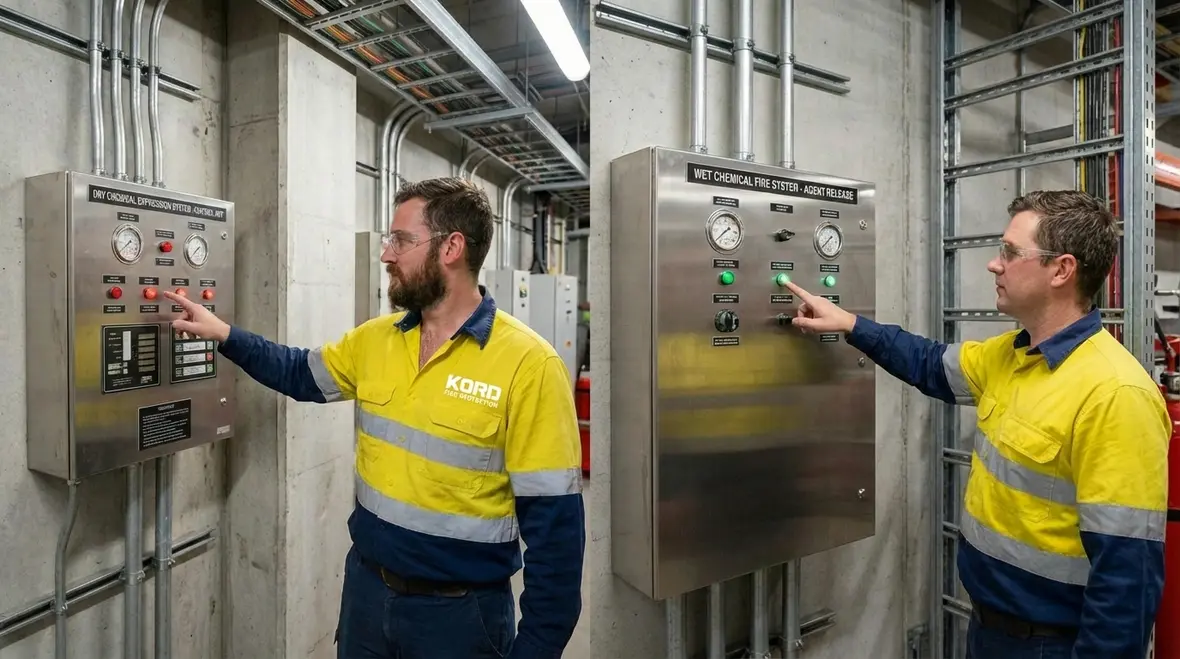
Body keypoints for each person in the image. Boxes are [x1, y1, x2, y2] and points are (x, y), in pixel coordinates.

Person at [164, 177, 585, 659]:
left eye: (401, 241)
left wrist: (536, 649)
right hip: (367, 594)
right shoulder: (377, 339)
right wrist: (225, 335)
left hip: (460, 617)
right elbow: (300, 373)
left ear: (452, 247)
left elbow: (557, 534)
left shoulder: (530, 365)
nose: (386, 254)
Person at [783, 190, 1168, 659]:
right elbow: (927, 363)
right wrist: (851, 325)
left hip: (1053, 645)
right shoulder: (1011, 356)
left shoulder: (1114, 393)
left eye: (1010, 252)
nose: (994, 264)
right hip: (989, 629)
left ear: (1062, 270)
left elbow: (1128, 577)